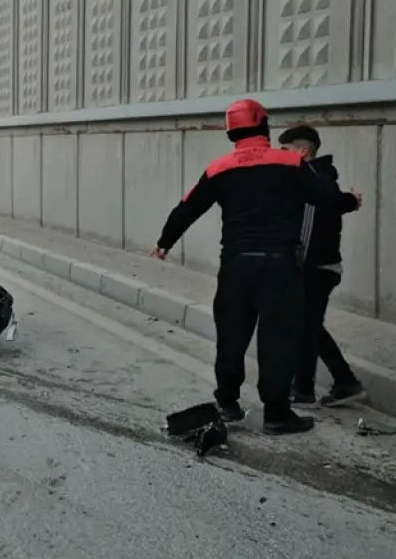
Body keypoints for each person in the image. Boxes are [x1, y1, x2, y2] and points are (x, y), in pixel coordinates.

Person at [152, 98, 344, 435]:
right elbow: (324, 197)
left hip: (236, 266)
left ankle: (227, 403)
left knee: (231, 338)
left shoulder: (219, 168)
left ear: (231, 133)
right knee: (278, 340)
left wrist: (165, 242)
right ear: (265, 126)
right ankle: (276, 413)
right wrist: (346, 199)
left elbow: (188, 207)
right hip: (279, 267)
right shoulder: (290, 162)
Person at [277, 123, 366, 408]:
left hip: (316, 266)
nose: (281, 155)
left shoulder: (313, 179)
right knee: (308, 325)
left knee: (306, 326)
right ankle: (343, 382)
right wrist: (349, 201)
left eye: (285, 150)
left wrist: (295, 263)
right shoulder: (319, 178)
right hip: (318, 265)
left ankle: (305, 389)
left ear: (302, 152)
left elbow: (307, 224)